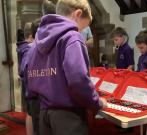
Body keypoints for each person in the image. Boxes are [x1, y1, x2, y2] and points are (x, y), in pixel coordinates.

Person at [24, 0, 107, 135]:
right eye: (83, 27)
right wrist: (97, 103)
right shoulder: (72, 37)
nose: (80, 31)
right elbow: (78, 79)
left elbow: (31, 75)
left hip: (44, 112)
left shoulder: (36, 42)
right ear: (77, 14)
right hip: (68, 115)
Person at [17, 22, 34, 135]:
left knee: (30, 113)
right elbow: (25, 69)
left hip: (28, 86)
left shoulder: (24, 47)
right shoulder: (28, 48)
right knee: (31, 113)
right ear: (31, 36)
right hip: (31, 87)